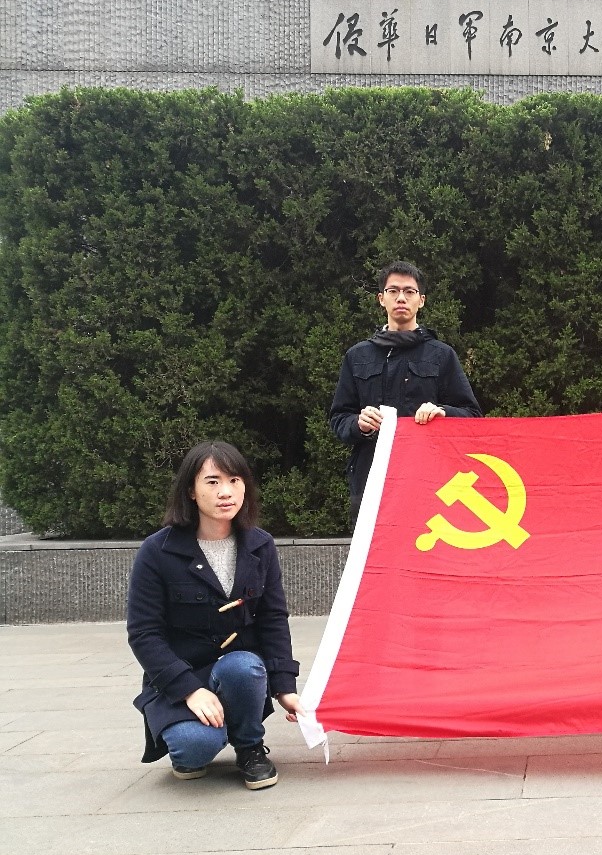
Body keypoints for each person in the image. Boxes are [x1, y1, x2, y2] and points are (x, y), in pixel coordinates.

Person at [127, 441, 301, 789]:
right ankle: (197, 733)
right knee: (194, 748)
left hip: (239, 674)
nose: (226, 492)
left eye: (235, 480)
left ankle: (250, 746)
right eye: (213, 481)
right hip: (182, 676)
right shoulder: (157, 551)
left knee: (244, 665)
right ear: (191, 491)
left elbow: (273, 619)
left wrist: (285, 687)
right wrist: (189, 690)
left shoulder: (260, 545)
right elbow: (144, 633)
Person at [329, 260, 482, 526]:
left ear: (421, 301)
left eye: (409, 291)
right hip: (371, 480)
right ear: (381, 299)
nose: (401, 298)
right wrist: (358, 424)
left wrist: (442, 413)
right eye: (393, 291)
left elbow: (472, 416)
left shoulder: (442, 355)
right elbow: (338, 418)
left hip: (431, 482)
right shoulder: (357, 356)